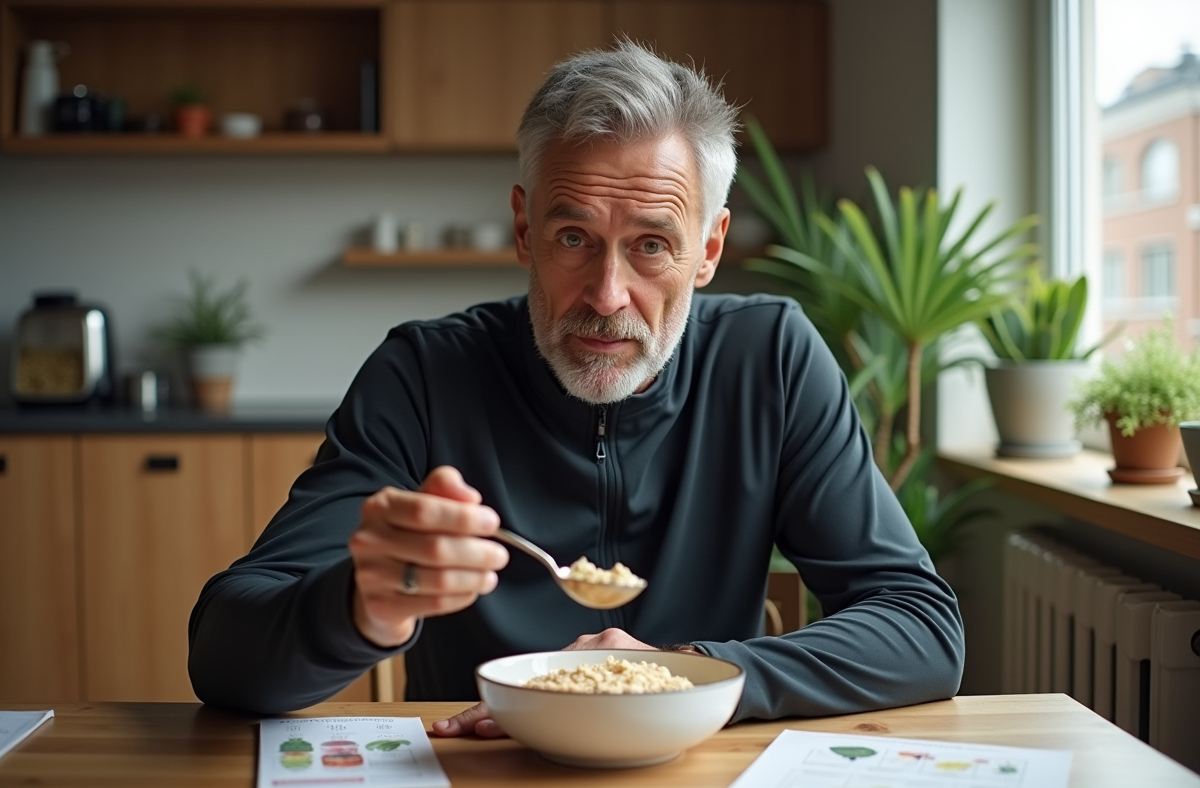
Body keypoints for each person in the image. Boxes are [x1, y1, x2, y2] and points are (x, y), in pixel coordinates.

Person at [188, 40, 965, 734]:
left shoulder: (771, 360)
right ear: (524, 230)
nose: (606, 295)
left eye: (652, 244)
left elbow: (921, 626)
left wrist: (685, 674)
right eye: (573, 238)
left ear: (708, 250)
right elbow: (224, 654)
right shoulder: (423, 374)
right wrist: (360, 606)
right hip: (477, 777)